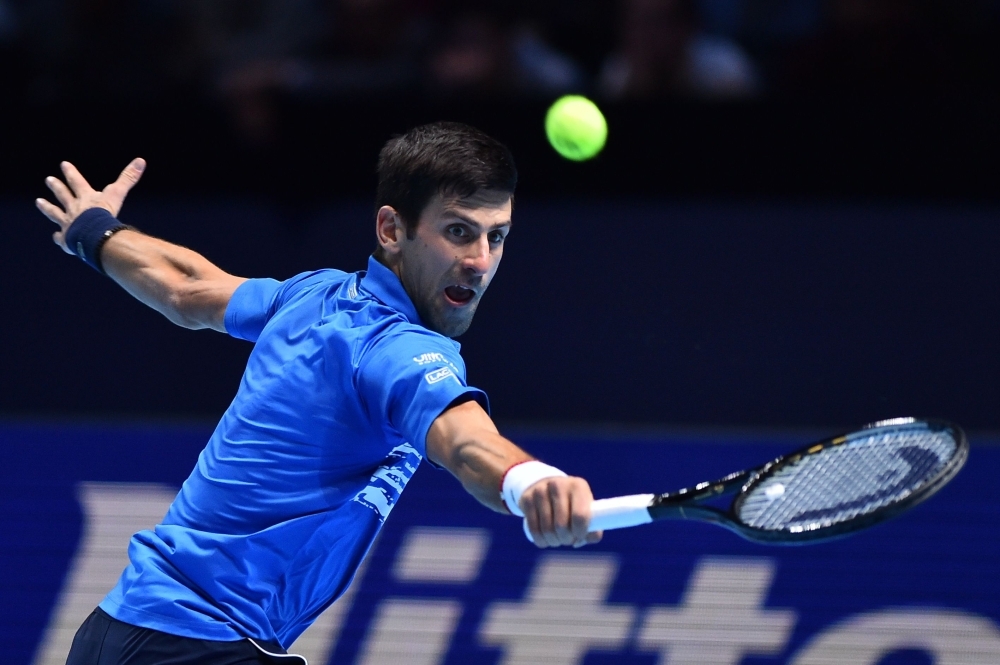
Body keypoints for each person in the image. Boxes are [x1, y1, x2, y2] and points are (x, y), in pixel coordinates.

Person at [35, 122, 601, 665]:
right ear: (391, 230)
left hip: (126, 631)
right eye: (458, 231)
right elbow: (465, 442)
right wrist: (530, 480)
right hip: (194, 644)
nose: (479, 261)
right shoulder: (396, 351)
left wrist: (93, 232)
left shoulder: (316, 295)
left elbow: (188, 289)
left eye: (495, 236)